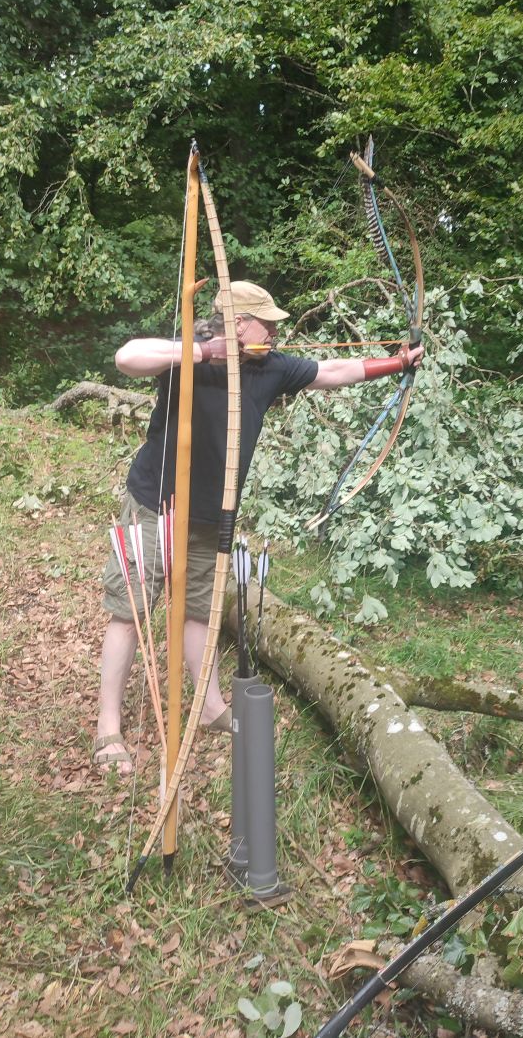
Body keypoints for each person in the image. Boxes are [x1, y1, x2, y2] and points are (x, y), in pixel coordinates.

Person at [94, 280, 423, 772]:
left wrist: (396, 363)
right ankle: (108, 727)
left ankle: (210, 708)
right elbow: (127, 357)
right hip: (156, 506)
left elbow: (333, 370)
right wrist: (204, 352)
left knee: (199, 613)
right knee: (130, 613)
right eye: (266, 324)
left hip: (213, 517)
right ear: (239, 323)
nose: (273, 332)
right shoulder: (189, 352)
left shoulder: (271, 368)